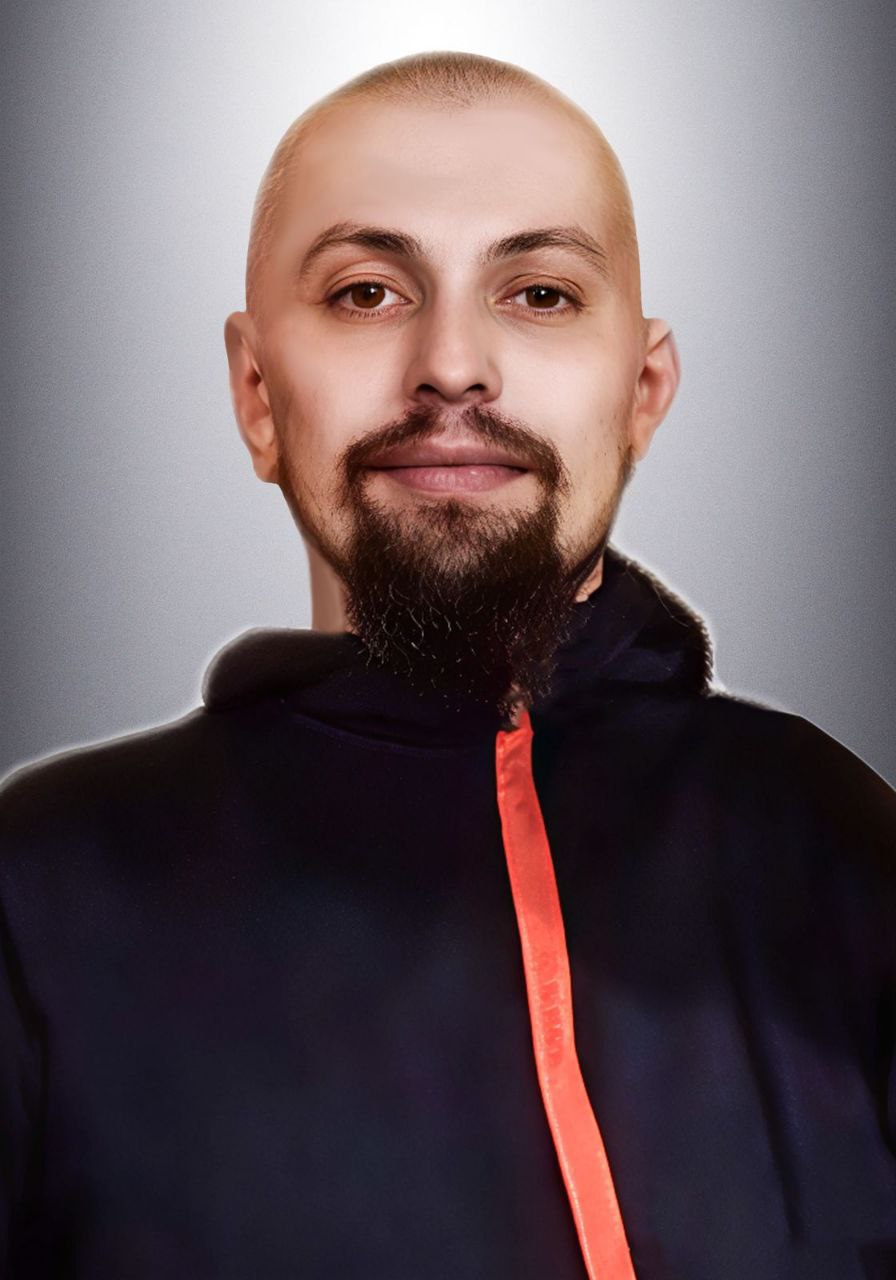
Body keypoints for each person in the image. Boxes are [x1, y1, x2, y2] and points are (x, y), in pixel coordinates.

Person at [1, 49, 894, 1280]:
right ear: (256, 393)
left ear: (641, 391)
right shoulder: (38, 885)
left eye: (539, 292)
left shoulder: (838, 840)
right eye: (367, 291)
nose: (453, 363)